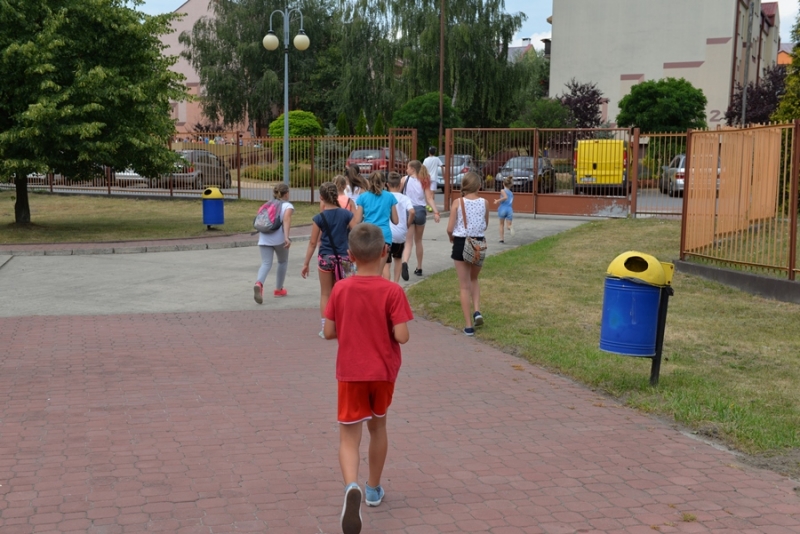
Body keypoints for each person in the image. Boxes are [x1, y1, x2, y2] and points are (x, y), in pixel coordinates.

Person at [322, 223, 413, 534]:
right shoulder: (393, 291)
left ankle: (352, 486)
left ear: (350, 255)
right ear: (385, 252)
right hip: (383, 373)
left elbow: (329, 332)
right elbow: (402, 336)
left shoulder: (340, 289)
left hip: (350, 373)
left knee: (349, 436)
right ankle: (373, 489)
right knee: (378, 428)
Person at [301, 182, 360, 338]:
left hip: (326, 257)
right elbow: (357, 232)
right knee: (347, 292)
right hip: (345, 257)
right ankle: (347, 325)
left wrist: (306, 263)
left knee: (325, 293)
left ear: (321, 197)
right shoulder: (346, 214)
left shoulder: (319, 218)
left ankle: (325, 327)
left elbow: (313, 242)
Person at [446, 172, 488, 336]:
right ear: (479, 186)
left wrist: (451, 237)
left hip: (462, 242)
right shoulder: (484, 202)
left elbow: (450, 228)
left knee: (464, 286)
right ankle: (477, 311)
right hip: (478, 243)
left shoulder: (458, 202)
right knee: (474, 278)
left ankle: (469, 326)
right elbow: (484, 225)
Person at [400, 160, 440, 280]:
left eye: (408, 168)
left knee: (408, 242)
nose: (406, 170)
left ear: (412, 169)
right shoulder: (424, 180)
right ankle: (419, 267)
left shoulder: (404, 179)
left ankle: (405, 262)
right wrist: (436, 212)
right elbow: (429, 198)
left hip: (408, 211)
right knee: (418, 241)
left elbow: (398, 194)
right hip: (421, 211)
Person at [254, 183, 293, 303]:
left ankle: (259, 284)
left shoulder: (268, 204)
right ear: (286, 194)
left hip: (264, 238)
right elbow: (286, 220)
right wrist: (286, 238)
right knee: (282, 261)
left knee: (266, 263)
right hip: (279, 239)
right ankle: (278, 289)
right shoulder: (287, 206)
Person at [384, 172, 415, 283]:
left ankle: (387, 284)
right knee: (398, 259)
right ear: (400, 184)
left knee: (386, 262)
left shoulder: (385, 197)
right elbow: (412, 212)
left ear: (387, 184)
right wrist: (407, 224)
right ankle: (396, 284)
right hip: (400, 233)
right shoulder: (405, 198)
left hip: (387, 233)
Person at [355, 171, 398, 248]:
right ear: (384, 183)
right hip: (384, 235)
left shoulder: (362, 197)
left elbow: (357, 220)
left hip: (369, 235)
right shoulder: (390, 196)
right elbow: (395, 221)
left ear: (369, 182)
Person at [493, 176, 515, 243]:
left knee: (501, 224)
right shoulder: (511, 193)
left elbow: (505, 197)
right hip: (509, 209)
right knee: (508, 225)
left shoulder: (502, 190)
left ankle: (501, 239)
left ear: (503, 184)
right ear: (510, 185)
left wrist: (497, 200)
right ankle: (510, 227)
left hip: (502, 208)